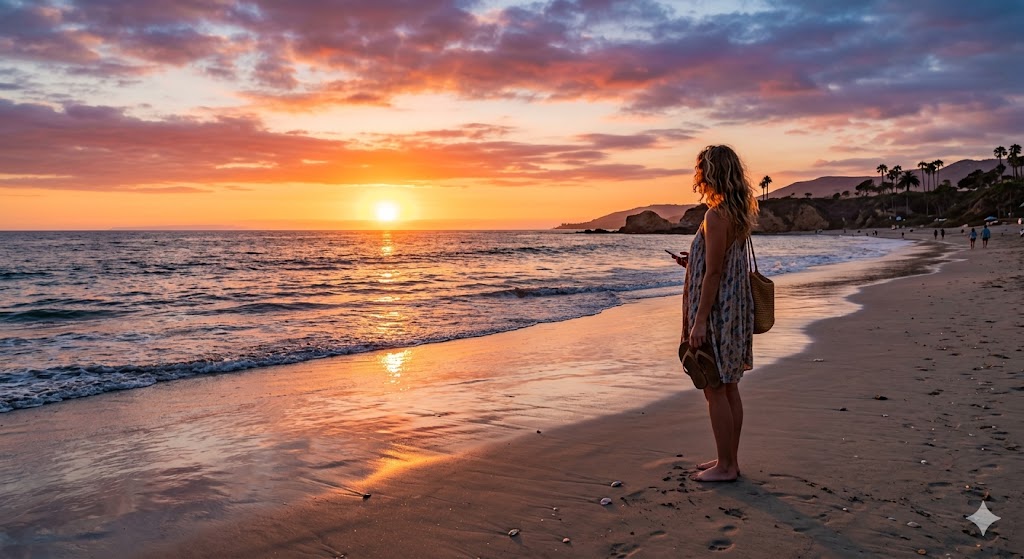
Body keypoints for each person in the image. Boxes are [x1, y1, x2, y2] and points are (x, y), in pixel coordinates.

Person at [678, 145, 758, 482]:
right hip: (733, 310)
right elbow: (718, 264)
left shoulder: (715, 215)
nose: (697, 176)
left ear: (710, 173)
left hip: (716, 314)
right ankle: (728, 459)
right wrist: (691, 261)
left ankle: (727, 467)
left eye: (700, 169)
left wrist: (698, 322)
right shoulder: (736, 213)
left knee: (715, 388)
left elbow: (713, 275)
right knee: (729, 386)